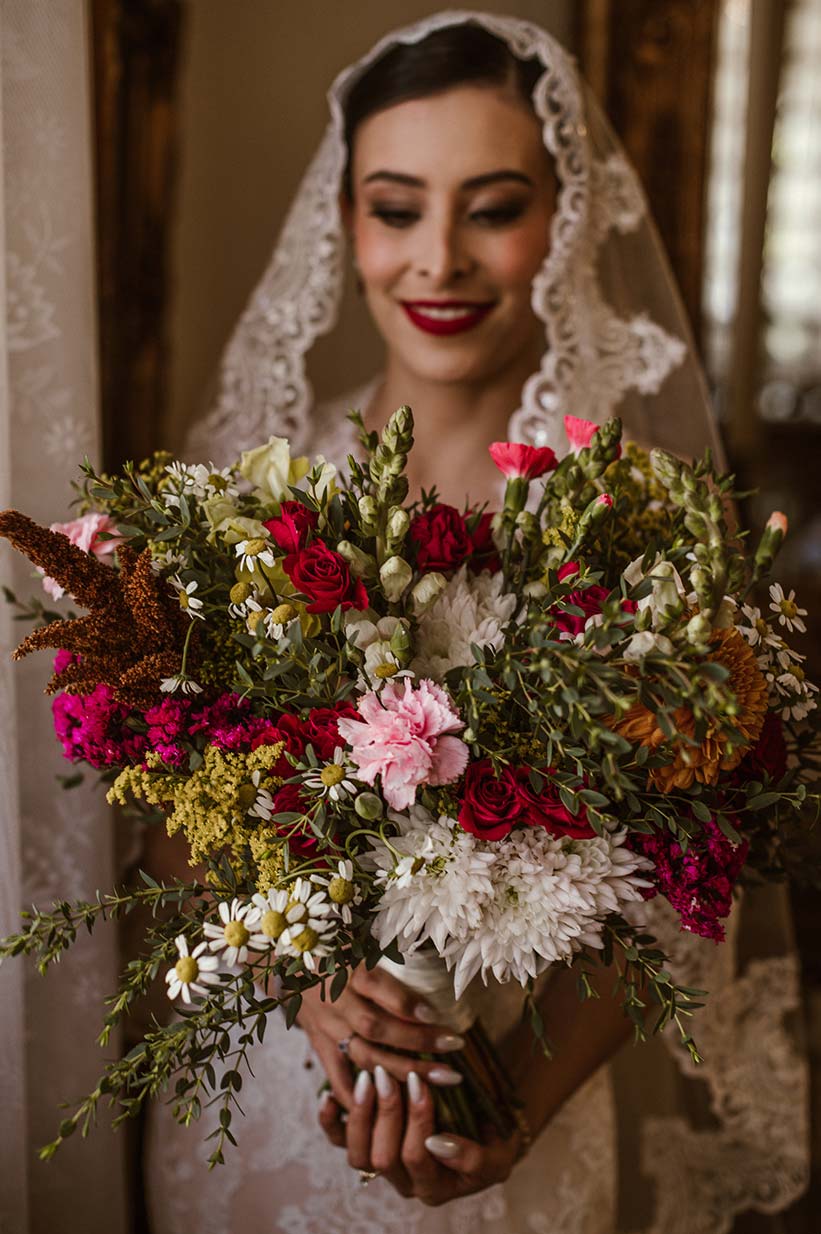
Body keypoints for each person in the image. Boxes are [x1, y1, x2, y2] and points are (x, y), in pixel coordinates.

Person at [149, 13, 808, 1233]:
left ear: (565, 224)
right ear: (345, 223)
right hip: (265, 1110)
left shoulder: (639, 523)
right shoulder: (252, 498)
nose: (436, 259)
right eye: (396, 209)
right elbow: (171, 818)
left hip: (515, 1113)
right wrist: (300, 971)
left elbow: (679, 886)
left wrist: (514, 1113)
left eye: (493, 208)